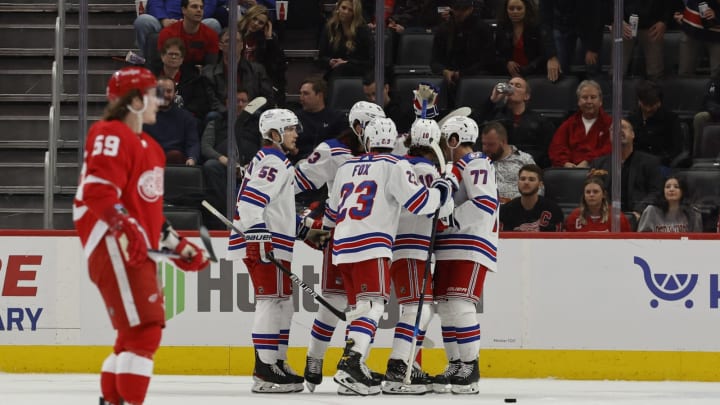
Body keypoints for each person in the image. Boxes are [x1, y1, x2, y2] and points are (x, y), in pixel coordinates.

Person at [73, 67, 209, 405]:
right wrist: (127, 228)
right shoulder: (110, 134)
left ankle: (113, 400)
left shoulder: (152, 148)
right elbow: (98, 193)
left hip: (134, 248)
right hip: (112, 243)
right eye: (152, 94)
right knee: (146, 330)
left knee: (132, 334)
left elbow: (147, 215)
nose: (158, 101)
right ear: (134, 101)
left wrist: (178, 245)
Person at [323, 117, 453, 396]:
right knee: (372, 306)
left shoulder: (346, 167)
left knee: (361, 307)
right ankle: (351, 363)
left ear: (367, 141)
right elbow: (419, 204)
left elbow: (331, 215)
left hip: (341, 246)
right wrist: (441, 191)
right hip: (372, 244)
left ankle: (354, 371)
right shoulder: (396, 165)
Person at [226, 108, 323, 393]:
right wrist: (259, 239)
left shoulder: (277, 161)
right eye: (290, 129)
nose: (296, 134)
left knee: (283, 302)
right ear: (274, 134)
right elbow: (249, 204)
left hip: (275, 243)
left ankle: (278, 361)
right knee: (270, 301)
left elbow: (274, 208)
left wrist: (304, 230)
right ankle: (265, 368)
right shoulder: (273, 160)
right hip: (265, 243)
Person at [297, 101, 384, 395]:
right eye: (369, 126)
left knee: (357, 306)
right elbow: (295, 182)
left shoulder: (381, 154)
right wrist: (299, 220)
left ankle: (350, 366)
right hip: (344, 235)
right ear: (358, 126)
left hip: (353, 235)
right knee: (335, 303)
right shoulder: (333, 150)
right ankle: (315, 357)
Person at [432, 115, 498, 395]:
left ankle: (470, 367)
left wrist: (450, 220)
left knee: (460, 303)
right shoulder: (456, 166)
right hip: (449, 245)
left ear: (454, 139)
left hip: (470, 243)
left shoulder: (476, 162)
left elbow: (485, 202)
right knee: (446, 307)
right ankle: (456, 363)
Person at [383, 118, 449, 395]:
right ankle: (399, 366)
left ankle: (405, 362)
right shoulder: (430, 172)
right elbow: (442, 212)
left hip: (401, 244)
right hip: (412, 246)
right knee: (416, 309)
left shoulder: (400, 165)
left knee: (421, 308)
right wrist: (448, 182)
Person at [201, 89, 265, 228]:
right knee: (210, 165)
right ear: (227, 103)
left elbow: (265, 147)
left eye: (244, 101)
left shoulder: (257, 123)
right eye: (237, 101)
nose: (240, 104)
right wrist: (223, 159)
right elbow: (206, 147)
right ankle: (224, 214)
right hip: (223, 167)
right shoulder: (216, 121)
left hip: (251, 167)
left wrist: (254, 163)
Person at [473, 76, 555, 167]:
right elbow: (473, 124)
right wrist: (492, 100)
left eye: (518, 86)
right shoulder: (496, 115)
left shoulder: (540, 121)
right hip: (496, 162)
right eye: (510, 85)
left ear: (526, 96)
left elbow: (544, 150)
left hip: (526, 165)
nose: (512, 88)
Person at [591, 118, 664, 218]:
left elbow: (657, 192)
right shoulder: (598, 164)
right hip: (606, 217)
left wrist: (639, 211)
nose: (619, 131)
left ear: (633, 134)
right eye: (614, 129)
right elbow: (592, 191)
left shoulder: (650, 162)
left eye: (623, 127)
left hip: (639, 216)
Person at [430, 0, 495, 107]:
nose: (459, 13)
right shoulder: (443, 29)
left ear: (471, 9)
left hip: (475, 77)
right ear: (452, 9)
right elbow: (434, 60)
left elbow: (488, 60)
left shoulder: (482, 28)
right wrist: (444, 71)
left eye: (463, 9)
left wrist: (462, 73)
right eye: (456, 9)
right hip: (448, 79)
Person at [202, 28, 276, 117]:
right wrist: (229, 112)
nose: (232, 44)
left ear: (241, 45)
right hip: (223, 115)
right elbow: (211, 102)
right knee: (212, 116)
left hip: (251, 114)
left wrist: (248, 109)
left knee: (258, 115)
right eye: (228, 41)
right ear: (220, 46)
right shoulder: (209, 73)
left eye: (236, 41)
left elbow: (267, 98)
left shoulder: (257, 70)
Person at [549, 80, 612, 168]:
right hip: (569, 171)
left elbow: (610, 149)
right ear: (578, 101)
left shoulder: (610, 124)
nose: (589, 101)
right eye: (585, 97)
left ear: (600, 101)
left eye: (593, 97)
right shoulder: (569, 124)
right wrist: (565, 163)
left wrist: (588, 162)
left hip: (599, 170)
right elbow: (557, 148)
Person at [538, 0, 605, 81]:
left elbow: (599, 14)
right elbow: (544, 21)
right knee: (557, 70)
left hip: (589, 25)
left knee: (594, 68)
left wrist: (593, 47)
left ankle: (594, 91)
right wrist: (551, 56)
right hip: (560, 22)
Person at [133, 0, 223, 59]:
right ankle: (148, 62)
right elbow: (155, 2)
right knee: (143, 21)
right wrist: (163, 19)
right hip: (166, 23)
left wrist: (188, 21)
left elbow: (208, 5)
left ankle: (208, 67)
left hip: (194, 23)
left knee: (213, 24)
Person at [151, 37, 213, 122]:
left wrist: (182, 114)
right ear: (162, 56)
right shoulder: (151, 76)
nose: (173, 57)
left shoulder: (193, 78)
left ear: (182, 59)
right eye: (170, 54)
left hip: (184, 118)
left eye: (176, 54)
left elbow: (199, 104)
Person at [143, 77, 200, 165]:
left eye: (169, 91)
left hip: (176, 161)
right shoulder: (144, 117)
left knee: (174, 155)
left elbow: (192, 143)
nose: (165, 95)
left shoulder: (186, 117)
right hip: (150, 159)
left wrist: (192, 158)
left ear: (175, 94)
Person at [238, 5, 288, 105]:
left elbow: (278, 64)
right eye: (254, 19)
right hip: (237, 75)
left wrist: (269, 39)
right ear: (249, 17)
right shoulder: (235, 33)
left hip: (256, 79)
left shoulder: (266, 40)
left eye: (261, 23)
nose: (256, 24)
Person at [626, 80, 683, 168]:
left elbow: (676, 150)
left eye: (652, 105)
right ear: (639, 101)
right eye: (645, 104)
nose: (648, 109)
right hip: (637, 165)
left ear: (659, 102)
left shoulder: (671, 119)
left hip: (662, 164)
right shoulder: (632, 119)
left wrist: (659, 161)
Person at [614, 0, 675, 80]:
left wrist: (664, 21)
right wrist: (616, 18)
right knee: (617, 71)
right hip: (624, 23)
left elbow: (670, 3)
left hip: (653, 24)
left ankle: (654, 92)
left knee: (655, 73)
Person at [478, 121, 535, 203]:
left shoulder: (524, 160)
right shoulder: (478, 161)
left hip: (517, 209)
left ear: (503, 142)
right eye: (484, 144)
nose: (485, 149)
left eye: (491, 144)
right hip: (487, 209)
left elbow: (538, 188)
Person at [294, 78, 347, 162]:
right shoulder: (294, 118)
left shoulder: (336, 118)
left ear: (319, 95)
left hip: (328, 163)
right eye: (300, 93)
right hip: (300, 162)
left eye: (306, 94)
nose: (301, 98)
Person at [317, 0, 373, 80]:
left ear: (355, 13)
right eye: (343, 8)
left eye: (350, 10)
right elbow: (321, 57)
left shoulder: (363, 30)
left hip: (358, 74)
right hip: (335, 73)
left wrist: (347, 63)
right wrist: (330, 61)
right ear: (338, 8)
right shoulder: (330, 28)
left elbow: (370, 62)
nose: (346, 12)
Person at [500, 164, 564, 231]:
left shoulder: (553, 210)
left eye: (531, 179)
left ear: (540, 184)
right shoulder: (505, 211)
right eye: (522, 179)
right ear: (518, 182)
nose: (526, 182)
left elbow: (557, 240)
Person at [156, 0, 221, 66]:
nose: (199, 10)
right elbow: (162, 64)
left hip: (200, 74)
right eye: (194, 7)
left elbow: (210, 66)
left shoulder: (211, 35)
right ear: (184, 10)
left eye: (201, 7)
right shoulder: (168, 33)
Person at [493, 0, 546, 78]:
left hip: (534, 73)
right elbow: (496, 53)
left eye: (519, 8)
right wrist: (507, 63)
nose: (515, 12)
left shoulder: (536, 27)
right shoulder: (501, 27)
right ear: (506, 10)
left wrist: (529, 68)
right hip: (508, 74)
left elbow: (544, 54)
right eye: (511, 8)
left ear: (526, 9)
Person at [564, 176, 632, 232]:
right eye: (588, 192)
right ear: (584, 195)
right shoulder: (574, 216)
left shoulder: (617, 217)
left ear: (604, 195)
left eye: (595, 192)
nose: (591, 195)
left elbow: (627, 242)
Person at [637, 176, 703, 232]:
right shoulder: (651, 211)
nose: (671, 189)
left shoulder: (693, 213)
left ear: (683, 191)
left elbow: (697, 240)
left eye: (676, 187)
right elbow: (642, 239)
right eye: (667, 187)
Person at [675, 1, 720, 77]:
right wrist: (680, 12)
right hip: (691, 28)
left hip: (717, 33)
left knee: (718, 77)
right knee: (685, 75)